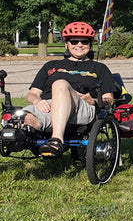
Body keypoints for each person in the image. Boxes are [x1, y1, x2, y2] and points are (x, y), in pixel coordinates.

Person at [21, 22, 117, 156]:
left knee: (60, 84)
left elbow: (109, 99)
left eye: (84, 42)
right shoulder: (51, 65)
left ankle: (56, 140)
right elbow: (32, 94)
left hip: (82, 107)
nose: (79, 45)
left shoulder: (99, 68)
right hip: (49, 106)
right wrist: (36, 101)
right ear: (66, 44)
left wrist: (91, 99)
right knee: (21, 119)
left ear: (90, 45)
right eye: (74, 41)